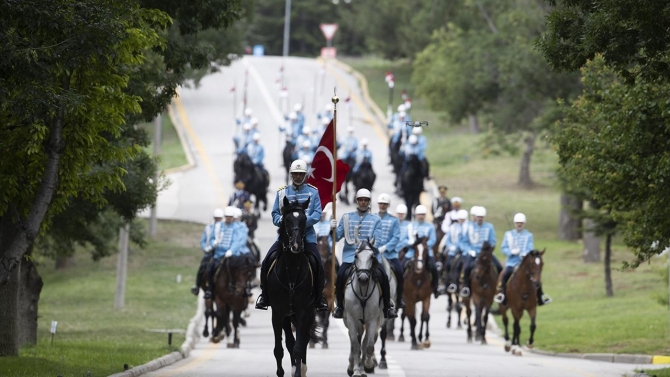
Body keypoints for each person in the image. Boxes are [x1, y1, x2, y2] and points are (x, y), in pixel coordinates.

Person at [255, 159, 329, 311]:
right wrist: (283, 221)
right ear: (291, 174)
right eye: (295, 174)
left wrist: (301, 223)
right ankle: (264, 295)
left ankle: (318, 296)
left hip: (306, 236)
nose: (297, 177)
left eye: (300, 174)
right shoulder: (282, 192)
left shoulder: (313, 192)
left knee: (318, 265)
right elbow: (275, 213)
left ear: (305, 175)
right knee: (266, 261)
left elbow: (317, 213)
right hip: (285, 237)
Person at [331, 188, 397, 319]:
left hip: (370, 257)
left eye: (365, 200)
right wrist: (332, 229)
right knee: (340, 276)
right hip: (351, 257)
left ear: (369, 202)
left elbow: (378, 241)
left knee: (383, 275)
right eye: (360, 200)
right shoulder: (347, 218)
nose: (363, 202)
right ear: (356, 201)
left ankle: (387, 307)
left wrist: (366, 248)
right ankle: (339, 306)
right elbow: (336, 238)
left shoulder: (376, 219)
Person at [494, 213, 552, 305]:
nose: (519, 225)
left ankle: (540, 296)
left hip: (525, 263)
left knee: (536, 278)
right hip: (512, 262)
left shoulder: (528, 235)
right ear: (514, 223)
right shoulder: (508, 234)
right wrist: (511, 252)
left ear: (524, 224)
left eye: (521, 223)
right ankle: (502, 295)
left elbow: (530, 248)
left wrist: (525, 254)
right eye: (517, 223)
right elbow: (503, 248)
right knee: (505, 275)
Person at [459, 206, 503, 298]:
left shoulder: (489, 227)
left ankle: (499, 289)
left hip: (486, 254)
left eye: (481, 217)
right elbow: (464, 242)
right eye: (478, 217)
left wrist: (489, 250)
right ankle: (466, 287)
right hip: (473, 253)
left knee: (499, 267)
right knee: (466, 268)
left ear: (484, 217)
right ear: (475, 217)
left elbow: (493, 240)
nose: (479, 219)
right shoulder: (469, 227)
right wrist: (469, 250)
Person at [375, 193, 406, 309]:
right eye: (381, 203)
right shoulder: (372, 218)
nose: (382, 206)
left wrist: (385, 247)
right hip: (374, 254)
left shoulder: (394, 220)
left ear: (388, 205)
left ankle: (398, 299)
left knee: (399, 273)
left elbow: (396, 237)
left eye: (385, 204)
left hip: (390, 254)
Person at [207, 206, 246, 298]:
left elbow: (236, 241)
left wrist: (231, 251)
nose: (228, 218)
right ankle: (210, 290)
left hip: (231, 255)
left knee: (242, 270)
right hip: (218, 255)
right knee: (210, 269)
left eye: (230, 216)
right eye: (227, 216)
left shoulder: (236, 227)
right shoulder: (218, 226)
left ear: (232, 217)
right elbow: (212, 238)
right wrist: (214, 243)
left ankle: (244, 288)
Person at [403, 205, 441, 298]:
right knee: (401, 267)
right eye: (419, 214)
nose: (421, 216)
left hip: (426, 253)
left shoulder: (430, 226)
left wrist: (424, 246)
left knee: (433, 268)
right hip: (412, 252)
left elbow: (433, 239)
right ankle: (400, 289)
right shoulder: (411, 226)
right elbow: (404, 239)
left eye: (423, 214)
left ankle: (435, 288)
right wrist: (410, 243)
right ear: (416, 215)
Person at [191, 208, 223, 296]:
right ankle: (197, 286)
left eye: (219, 218)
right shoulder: (208, 227)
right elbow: (203, 241)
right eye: (216, 218)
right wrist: (206, 248)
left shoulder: (223, 227)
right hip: (210, 252)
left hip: (220, 252)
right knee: (203, 266)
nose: (218, 220)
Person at [444, 209, 469, 293]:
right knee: (448, 264)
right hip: (453, 251)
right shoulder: (452, 227)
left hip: (465, 252)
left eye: (463, 219)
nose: (462, 221)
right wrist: (451, 247)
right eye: (460, 219)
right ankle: (447, 282)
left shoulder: (468, 228)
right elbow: (447, 240)